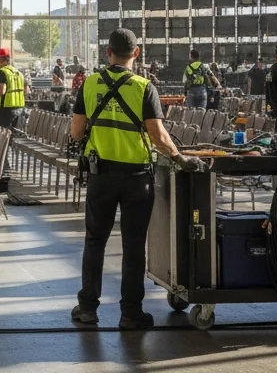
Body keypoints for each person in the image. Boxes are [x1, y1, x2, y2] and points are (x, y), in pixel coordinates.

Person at [69, 28, 203, 329]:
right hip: (137, 180)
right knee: (133, 245)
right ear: (137, 53)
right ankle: (131, 313)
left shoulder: (89, 84)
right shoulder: (145, 87)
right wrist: (181, 159)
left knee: (95, 241)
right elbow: (159, 136)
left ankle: (88, 307)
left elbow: (76, 132)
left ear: (108, 53)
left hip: (100, 175)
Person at [0, 47, 28, 131]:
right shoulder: (19, 73)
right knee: (16, 135)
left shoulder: (2, 72)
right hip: (20, 110)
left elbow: (1, 90)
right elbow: (27, 90)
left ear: (1, 59)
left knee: (4, 136)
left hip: (6, 111)